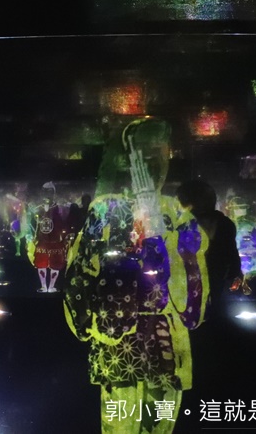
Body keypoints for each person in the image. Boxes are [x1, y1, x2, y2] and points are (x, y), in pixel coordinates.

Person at [64, 118, 208, 434]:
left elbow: (191, 274)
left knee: (159, 419)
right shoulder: (105, 209)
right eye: (145, 155)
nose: (155, 164)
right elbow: (82, 268)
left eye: (161, 154)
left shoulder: (175, 212)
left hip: (162, 334)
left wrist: (168, 247)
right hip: (117, 335)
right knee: (120, 419)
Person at [176, 179, 243, 318]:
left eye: (182, 201)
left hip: (204, 278)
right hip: (206, 279)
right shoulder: (224, 223)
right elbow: (232, 253)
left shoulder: (186, 225)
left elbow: (231, 252)